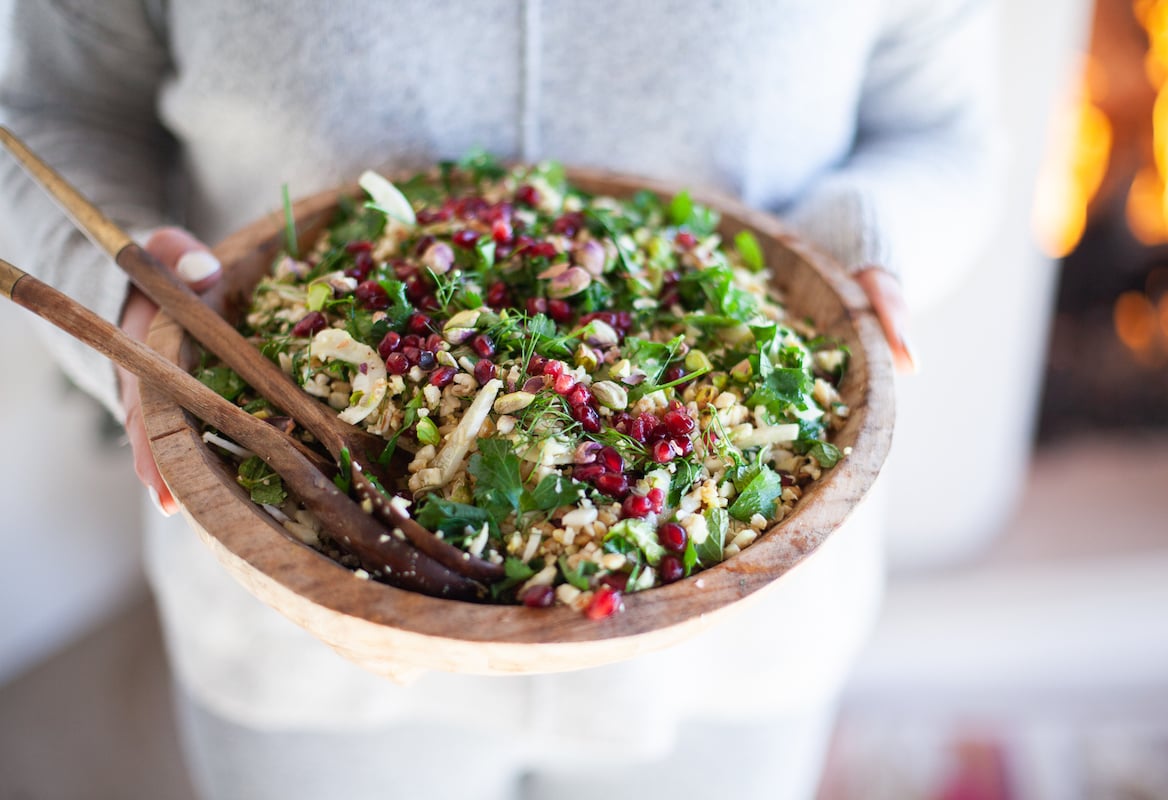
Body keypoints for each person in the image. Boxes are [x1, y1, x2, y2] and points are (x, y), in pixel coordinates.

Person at [0, 1, 999, 798]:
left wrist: (859, 238)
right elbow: (47, 119)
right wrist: (125, 297)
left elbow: (942, 131)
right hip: (300, 636)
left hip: (728, 638)